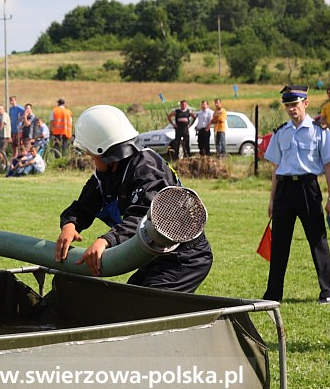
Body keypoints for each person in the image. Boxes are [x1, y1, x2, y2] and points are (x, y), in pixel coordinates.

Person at [55, 105, 213, 292]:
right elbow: (83, 207)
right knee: (129, 302)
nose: (91, 159)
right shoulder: (108, 173)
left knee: (145, 310)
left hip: (184, 257)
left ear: (105, 151)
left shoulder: (148, 170)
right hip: (154, 255)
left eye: (92, 155)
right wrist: (70, 225)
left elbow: (144, 218)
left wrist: (105, 240)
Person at [262, 85, 330, 305]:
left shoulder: (320, 131)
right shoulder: (281, 132)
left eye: (295, 104)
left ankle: (327, 291)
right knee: (279, 243)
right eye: (288, 105)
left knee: (317, 239)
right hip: (284, 190)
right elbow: (275, 167)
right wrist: (272, 199)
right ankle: (273, 294)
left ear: (306, 104)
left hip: (308, 188)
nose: (291, 109)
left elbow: (329, 165)